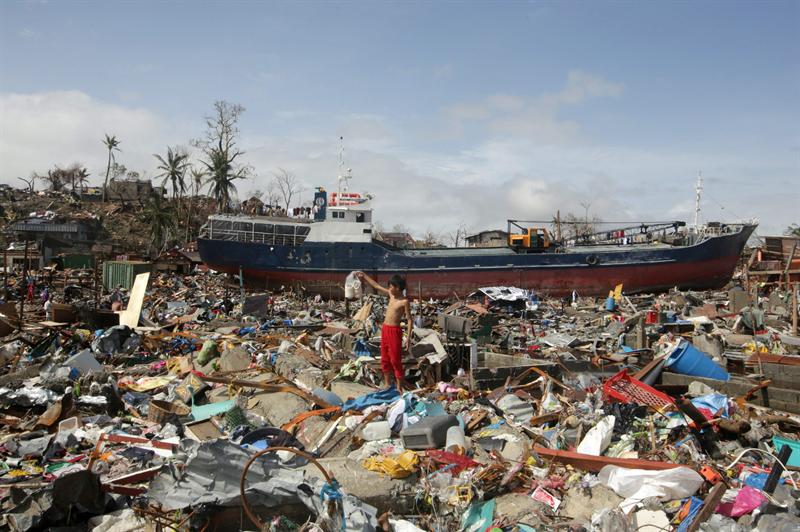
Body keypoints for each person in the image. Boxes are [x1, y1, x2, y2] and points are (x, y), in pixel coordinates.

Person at [356, 271, 412, 392]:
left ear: (397, 288)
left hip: (394, 331)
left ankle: (399, 388)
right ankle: (387, 384)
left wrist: (408, 338)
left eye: (391, 286)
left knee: (395, 360)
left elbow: (409, 320)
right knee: (385, 359)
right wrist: (364, 276)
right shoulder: (391, 295)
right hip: (385, 329)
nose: (389, 288)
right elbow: (376, 286)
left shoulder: (404, 302)